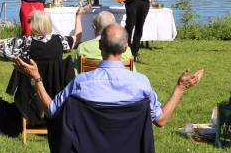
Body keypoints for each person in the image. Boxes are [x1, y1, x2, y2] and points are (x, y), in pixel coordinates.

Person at [15, 23, 204, 128]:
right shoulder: (141, 84)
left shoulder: (81, 83)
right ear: (125, 48)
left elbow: (53, 111)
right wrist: (179, 89)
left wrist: (37, 79)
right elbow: (160, 120)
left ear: (99, 46)